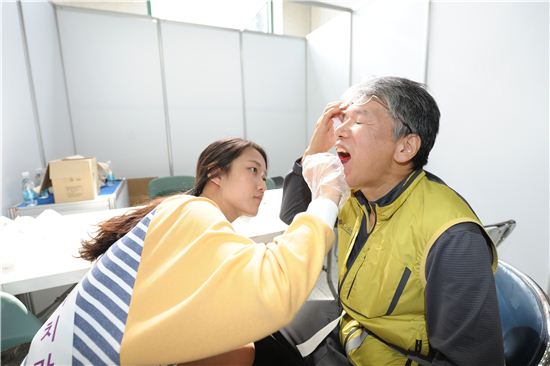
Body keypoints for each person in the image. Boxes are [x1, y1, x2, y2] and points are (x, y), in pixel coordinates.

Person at [23, 137, 349, 366]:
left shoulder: (177, 214)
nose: (263, 184)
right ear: (215, 173)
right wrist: (327, 195)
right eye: (252, 170)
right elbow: (276, 287)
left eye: (264, 176)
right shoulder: (194, 213)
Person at [273, 77, 505, 365]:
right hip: (351, 330)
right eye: (339, 119)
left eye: (357, 121)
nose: (338, 132)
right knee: (261, 328)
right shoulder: (356, 194)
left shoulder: (454, 238)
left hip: (389, 355)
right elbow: (294, 215)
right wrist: (313, 154)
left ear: (405, 148)